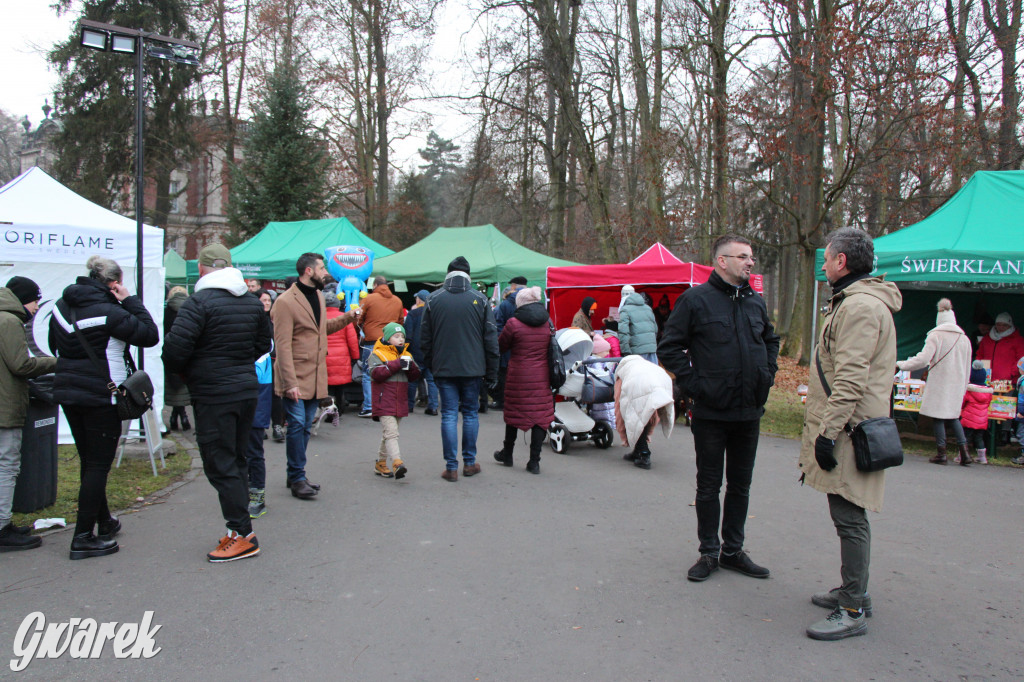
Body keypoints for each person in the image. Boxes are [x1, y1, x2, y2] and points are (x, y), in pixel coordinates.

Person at [658, 234, 779, 583]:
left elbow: (770, 339)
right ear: (722, 261)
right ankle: (709, 551)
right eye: (743, 257)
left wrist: (767, 375)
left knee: (741, 486)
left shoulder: (755, 301)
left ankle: (733, 550)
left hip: (748, 411)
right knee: (709, 486)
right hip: (711, 412)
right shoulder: (695, 301)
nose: (750, 262)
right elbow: (670, 348)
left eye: (751, 257)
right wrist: (696, 385)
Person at [800, 227, 902, 641]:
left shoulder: (859, 307)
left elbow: (851, 378)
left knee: (850, 517)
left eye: (826, 258)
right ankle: (852, 591)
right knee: (847, 515)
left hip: (849, 430)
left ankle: (854, 606)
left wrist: (827, 433)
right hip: (849, 425)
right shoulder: (853, 302)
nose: (822, 265)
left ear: (841, 262)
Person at [163, 244, 271, 562]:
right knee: (236, 460)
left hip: (214, 393)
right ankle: (239, 531)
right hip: (245, 389)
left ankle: (243, 534)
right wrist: (236, 364)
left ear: (202, 268)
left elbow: (173, 352)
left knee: (219, 463)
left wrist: (199, 370)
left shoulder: (199, 302)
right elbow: (263, 344)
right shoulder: (251, 302)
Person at [51, 256, 159, 560]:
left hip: (69, 391)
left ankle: (104, 521)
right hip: (102, 394)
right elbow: (149, 335)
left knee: (90, 461)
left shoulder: (62, 306)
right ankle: (82, 537)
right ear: (113, 284)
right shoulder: (111, 311)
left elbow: (53, 344)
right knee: (98, 466)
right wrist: (132, 301)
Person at [271, 253, 358, 499]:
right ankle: (298, 477)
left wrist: (347, 318)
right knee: (297, 425)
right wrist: (289, 383)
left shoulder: (318, 297)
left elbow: (322, 330)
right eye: (321, 267)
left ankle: (295, 473)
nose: (325, 272)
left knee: (305, 427)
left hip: (316, 375)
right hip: (296, 376)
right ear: (308, 271)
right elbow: (282, 344)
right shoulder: (286, 302)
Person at [421, 256, 499, 482]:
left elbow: (424, 339)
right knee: (471, 414)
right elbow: (491, 340)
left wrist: (431, 364)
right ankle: (470, 462)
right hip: (473, 369)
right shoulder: (481, 300)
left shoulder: (433, 299)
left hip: (444, 367)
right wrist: (492, 372)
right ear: (469, 275)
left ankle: (451, 467)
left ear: (448, 274)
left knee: (448, 415)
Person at [0, 277, 57, 552]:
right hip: (4, 406)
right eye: (35, 299)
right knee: (7, 465)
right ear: (23, 298)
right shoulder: (9, 321)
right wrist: (56, 362)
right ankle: (1, 527)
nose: (37, 306)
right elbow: (20, 365)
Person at [896, 298, 972, 465]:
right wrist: (964, 385)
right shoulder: (965, 339)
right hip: (957, 383)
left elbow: (923, 360)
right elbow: (967, 367)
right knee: (953, 417)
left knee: (938, 417)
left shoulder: (935, 335)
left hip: (940, 382)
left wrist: (902, 364)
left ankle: (941, 453)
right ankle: (964, 452)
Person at [493, 286, 554, 474]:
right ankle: (534, 462)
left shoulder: (513, 323)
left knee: (513, 413)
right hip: (541, 375)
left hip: (518, 375)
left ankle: (508, 454)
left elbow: (500, 347)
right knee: (540, 416)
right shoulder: (547, 323)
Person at [368, 322, 421, 479]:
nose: (400, 340)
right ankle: (397, 462)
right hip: (384, 400)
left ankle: (380, 463)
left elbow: (415, 376)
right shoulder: (377, 354)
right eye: (396, 336)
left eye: (402, 337)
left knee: (389, 434)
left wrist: (410, 366)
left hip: (400, 400)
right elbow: (376, 374)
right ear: (387, 338)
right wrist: (397, 364)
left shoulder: (407, 355)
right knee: (392, 433)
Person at [244, 289, 275, 519]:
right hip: (238, 392)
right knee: (238, 449)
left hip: (258, 393)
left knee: (254, 449)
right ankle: (243, 489)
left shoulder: (263, 332)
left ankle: (257, 495)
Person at [614, 355, 675, 470]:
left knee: (636, 418)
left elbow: (620, 407)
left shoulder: (623, 373)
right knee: (647, 416)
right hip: (662, 380)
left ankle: (643, 453)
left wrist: (624, 434)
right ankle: (638, 450)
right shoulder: (646, 366)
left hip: (640, 385)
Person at [357, 275, 404, 418]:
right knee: (389, 372)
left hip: (372, 341)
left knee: (368, 373)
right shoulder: (397, 300)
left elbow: (358, 318)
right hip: (391, 343)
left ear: (375, 284)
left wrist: (361, 330)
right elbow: (400, 322)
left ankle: (370, 406)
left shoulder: (369, 299)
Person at [491, 276, 528, 409]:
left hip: (507, 347)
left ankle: (502, 401)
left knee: (504, 374)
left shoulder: (505, 304)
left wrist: (502, 342)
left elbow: (498, 325)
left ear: (514, 286)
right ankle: (519, 401)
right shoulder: (532, 303)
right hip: (525, 347)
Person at [324, 284, 360, 414]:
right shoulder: (344, 318)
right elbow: (352, 340)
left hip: (325, 355)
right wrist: (355, 357)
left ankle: (327, 410)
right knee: (340, 387)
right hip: (342, 355)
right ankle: (340, 407)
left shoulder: (319, 317)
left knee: (327, 386)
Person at [404, 289, 438, 415]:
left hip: (415, 351)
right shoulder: (435, 314)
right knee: (432, 381)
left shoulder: (413, 314)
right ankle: (433, 407)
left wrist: (405, 350)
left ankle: (409, 406)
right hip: (432, 352)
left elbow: (408, 335)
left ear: (419, 300)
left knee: (412, 379)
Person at [163, 286, 191, 432]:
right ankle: (182, 416)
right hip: (186, 353)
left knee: (174, 387)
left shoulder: (165, 311)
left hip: (169, 352)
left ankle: (176, 416)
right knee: (182, 388)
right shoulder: (189, 310)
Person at [975, 312, 1024, 383]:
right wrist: (979, 369)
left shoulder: (1017, 340)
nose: (1001, 327)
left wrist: (1011, 374)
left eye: (1004, 325)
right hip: (986, 379)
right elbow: (980, 355)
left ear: (1010, 326)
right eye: (998, 324)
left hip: (1007, 382)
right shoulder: (986, 339)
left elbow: (1021, 359)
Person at [960, 361, 992, 465]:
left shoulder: (969, 391)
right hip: (982, 420)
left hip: (969, 419)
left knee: (965, 438)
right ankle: (982, 458)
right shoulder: (988, 393)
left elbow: (963, 403)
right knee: (979, 438)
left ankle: (962, 455)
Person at [619, 288, 659, 363]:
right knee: (653, 373)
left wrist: (626, 352)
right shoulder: (648, 309)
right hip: (652, 351)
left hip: (636, 352)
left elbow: (623, 332)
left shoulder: (625, 309)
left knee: (638, 374)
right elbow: (655, 329)